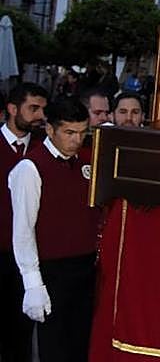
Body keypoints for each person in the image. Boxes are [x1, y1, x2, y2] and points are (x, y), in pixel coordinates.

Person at [9, 97, 100, 362]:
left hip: (86, 269)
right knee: (55, 348)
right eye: (69, 133)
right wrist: (32, 282)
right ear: (50, 130)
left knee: (81, 346)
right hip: (53, 270)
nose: (76, 140)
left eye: (83, 132)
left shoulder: (87, 160)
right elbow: (23, 230)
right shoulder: (30, 168)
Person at [0, 83, 47, 362]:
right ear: (12, 109)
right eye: (33, 108)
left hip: (26, 261)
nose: (40, 115)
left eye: (43, 109)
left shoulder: (42, 150)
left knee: (19, 338)